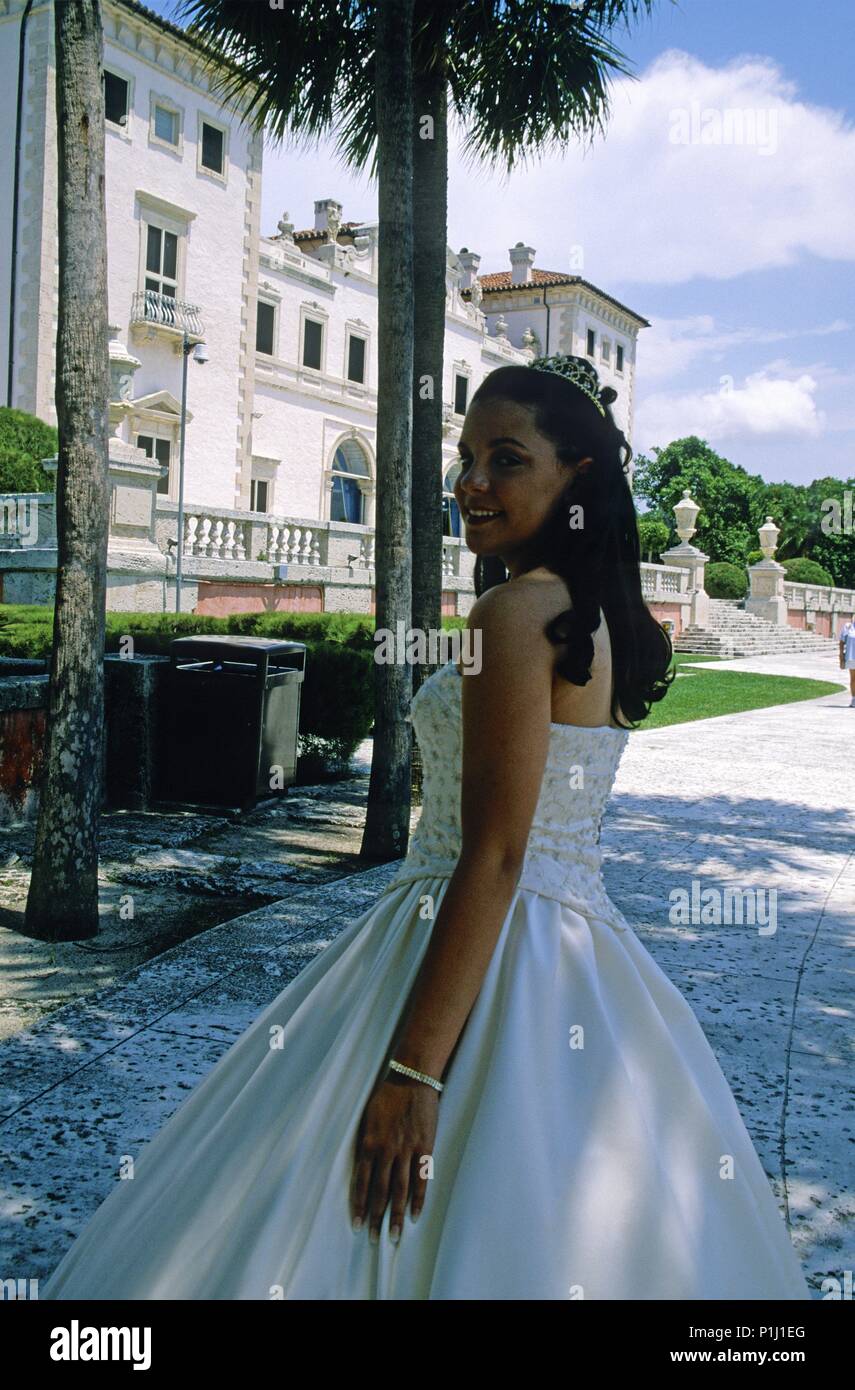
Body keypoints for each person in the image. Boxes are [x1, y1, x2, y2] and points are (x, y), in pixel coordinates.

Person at [41, 355, 811, 1300]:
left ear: (577, 473)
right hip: (572, 949)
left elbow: (494, 852)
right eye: (465, 457)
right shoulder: (589, 613)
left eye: (505, 459)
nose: (470, 484)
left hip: (473, 930)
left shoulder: (514, 612)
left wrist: (412, 1074)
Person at [839, 617, 855, 706]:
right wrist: (841, 656)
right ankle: (854, 699)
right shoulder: (848, 626)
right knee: (853, 679)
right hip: (851, 657)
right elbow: (841, 642)